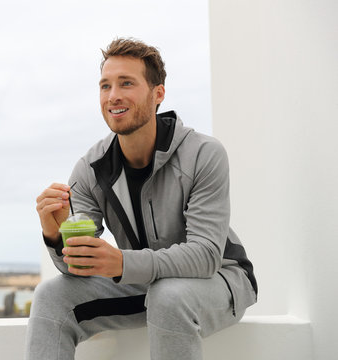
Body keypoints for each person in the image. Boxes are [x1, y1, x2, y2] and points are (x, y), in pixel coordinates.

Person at [26, 38, 258, 360]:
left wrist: (122, 263)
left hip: (220, 278)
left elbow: (206, 255)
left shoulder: (204, 154)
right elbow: (76, 266)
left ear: (158, 93)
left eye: (126, 83)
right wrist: (55, 231)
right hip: (145, 282)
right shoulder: (90, 169)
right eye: (105, 86)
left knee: (169, 296)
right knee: (50, 295)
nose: (113, 95)